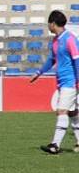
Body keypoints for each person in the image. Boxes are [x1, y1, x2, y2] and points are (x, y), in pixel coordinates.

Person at [29, 10, 79, 154]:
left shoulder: (70, 39)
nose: (48, 26)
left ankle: (55, 145)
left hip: (70, 82)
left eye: (48, 23)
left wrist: (78, 81)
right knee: (73, 113)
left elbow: (77, 60)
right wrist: (39, 73)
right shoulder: (56, 40)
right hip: (62, 82)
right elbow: (51, 60)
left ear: (53, 23)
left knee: (61, 111)